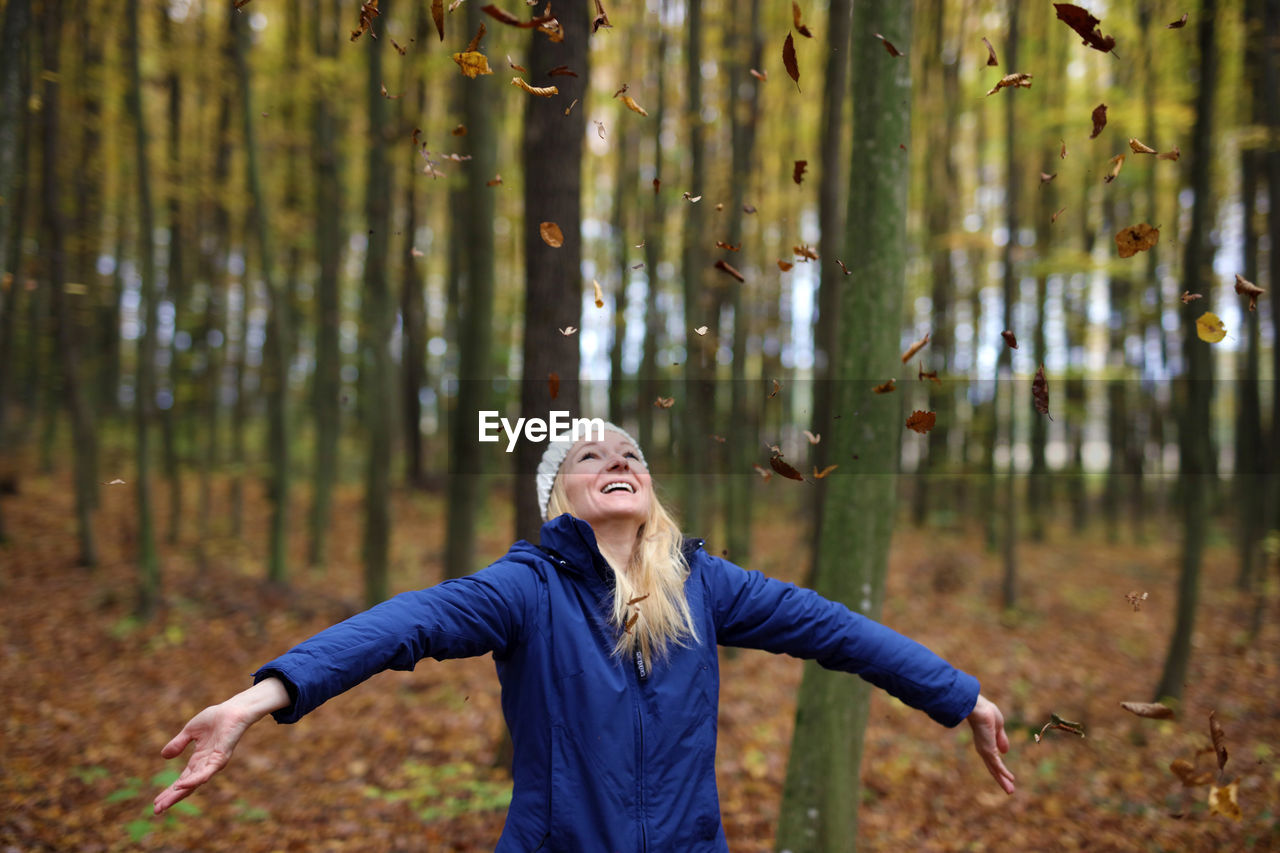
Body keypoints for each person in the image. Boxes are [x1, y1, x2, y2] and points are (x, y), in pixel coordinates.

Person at [154, 422, 1015, 850]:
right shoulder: (526, 587)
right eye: (588, 457)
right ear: (557, 495)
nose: (617, 461)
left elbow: (836, 629)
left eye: (631, 454)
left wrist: (959, 693)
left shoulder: (703, 584)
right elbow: (406, 623)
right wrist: (261, 695)